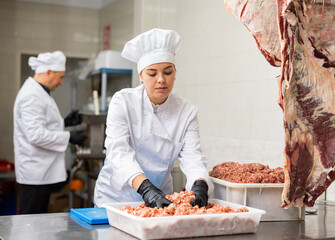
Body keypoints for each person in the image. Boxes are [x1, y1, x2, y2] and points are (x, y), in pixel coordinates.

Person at [94, 28, 213, 209]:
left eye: (167, 72)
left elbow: (192, 156)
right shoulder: (123, 101)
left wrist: (200, 183)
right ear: (141, 76)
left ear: (175, 73)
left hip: (162, 197)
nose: (161, 80)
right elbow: (118, 151)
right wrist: (145, 188)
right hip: (116, 197)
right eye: (152, 73)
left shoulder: (186, 110)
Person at [13, 51, 86, 214]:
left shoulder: (39, 92)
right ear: (48, 72)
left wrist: (64, 122)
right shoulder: (31, 95)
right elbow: (36, 135)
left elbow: (42, 124)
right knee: (30, 222)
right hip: (36, 172)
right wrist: (69, 137)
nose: (61, 83)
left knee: (37, 220)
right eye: (60, 77)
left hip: (41, 171)